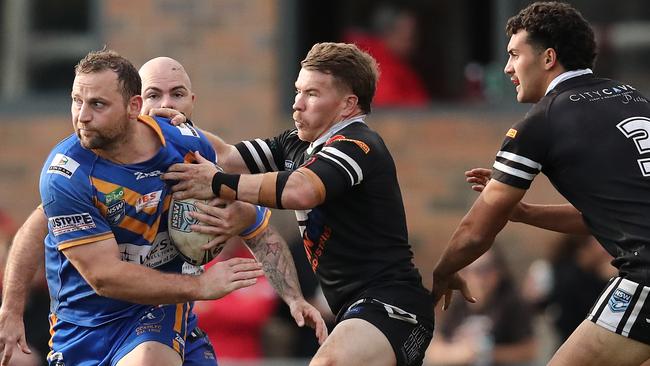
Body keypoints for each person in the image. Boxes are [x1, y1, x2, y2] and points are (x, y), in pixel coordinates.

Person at [0, 55, 326, 366]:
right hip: (84, 327)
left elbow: (256, 226)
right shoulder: (67, 173)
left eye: (97, 104)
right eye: (76, 101)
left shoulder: (189, 148)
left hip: (158, 314)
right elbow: (100, 274)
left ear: (132, 107)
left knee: (149, 358)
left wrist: (293, 297)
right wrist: (12, 309)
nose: (82, 116)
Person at [161, 42, 435, 366]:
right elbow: (225, 156)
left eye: (312, 95)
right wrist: (170, 128)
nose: (297, 105)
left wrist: (218, 183)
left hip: (393, 305)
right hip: (356, 310)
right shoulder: (295, 143)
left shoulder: (358, 144)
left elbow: (302, 190)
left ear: (348, 104)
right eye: (297, 91)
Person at [432, 2, 650, 365]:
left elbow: (475, 231)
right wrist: (525, 212)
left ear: (548, 57)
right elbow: (601, 217)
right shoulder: (633, 98)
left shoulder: (541, 122)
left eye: (515, 54)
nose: (507, 68)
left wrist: (444, 272)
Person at [425, 246, 536, 366]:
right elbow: (435, 347)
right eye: (466, 270)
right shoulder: (458, 302)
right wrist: (457, 354)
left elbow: (530, 350)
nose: (475, 278)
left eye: (483, 270)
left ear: (497, 272)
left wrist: (488, 354)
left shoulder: (511, 303)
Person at [343, 3, 430, 107]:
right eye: (409, 38)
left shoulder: (397, 64)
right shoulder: (374, 68)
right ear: (388, 33)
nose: (414, 44)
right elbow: (389, 111)